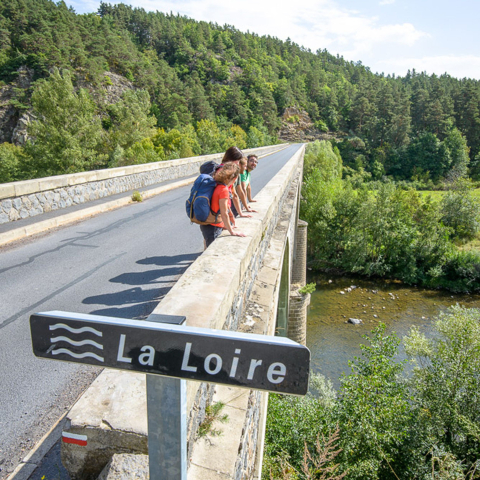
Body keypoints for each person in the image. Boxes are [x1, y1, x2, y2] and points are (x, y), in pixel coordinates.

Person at [200, 163, 246, 249]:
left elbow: (222, 208)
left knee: (207, 248)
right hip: (213, 226)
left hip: (207, 223)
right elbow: (224, 213)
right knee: (211, 251)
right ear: (235, 178)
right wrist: (232, 231)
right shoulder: (224, 190)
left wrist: (230, 219)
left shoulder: (217, 184)